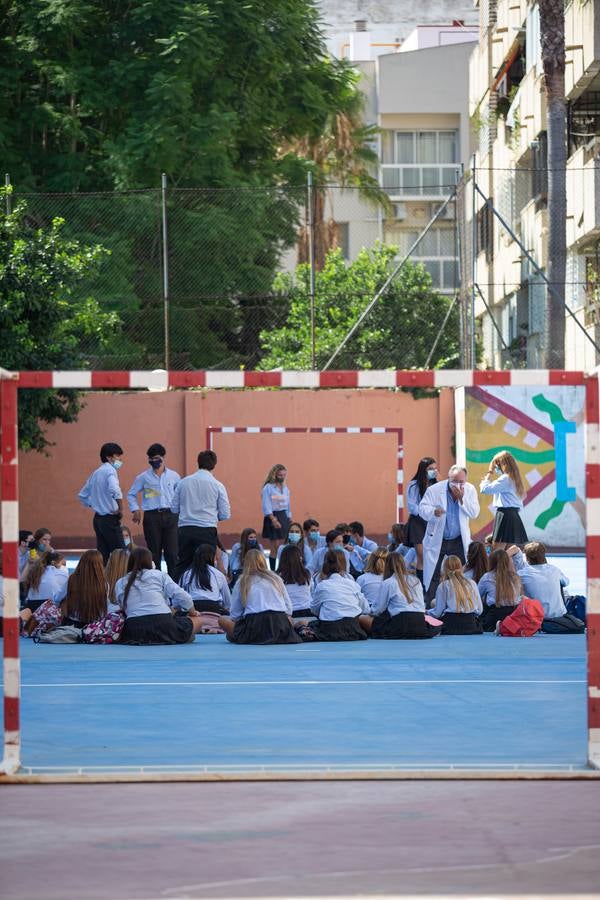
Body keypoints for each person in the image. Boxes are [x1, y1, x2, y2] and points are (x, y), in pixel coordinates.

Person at [419, 464, 480, 604]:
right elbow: (422, 508)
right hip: (438, 539)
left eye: (461, 481)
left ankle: (462, 602)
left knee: (462, 572)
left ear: (466, 479)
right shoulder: (435, 490)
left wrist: (462, 500)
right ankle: (430, 605)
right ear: (448, 478)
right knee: (433, 573)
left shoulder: (470, 490)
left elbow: (474, 513)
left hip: (459, 539)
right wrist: (433, 512)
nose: (457, 485)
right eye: (454, 481)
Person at [114, 547, 203, 644]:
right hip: (164, 625)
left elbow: (123, 608)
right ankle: (178, 636)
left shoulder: (120, 582)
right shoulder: (159, 575)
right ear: (150, 561)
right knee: (197, 621)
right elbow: (183, 597)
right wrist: (193, 612)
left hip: (134, 629)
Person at [218, 549, 301, 644]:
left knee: (222, 620)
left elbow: (235, 615)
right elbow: (289, 609)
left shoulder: (242, 582)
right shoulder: (276, 578)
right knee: (289, 619)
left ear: (245, 563)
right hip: (278, 623)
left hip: (254, 626)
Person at [171, 450, 231, 580]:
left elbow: (174, 509)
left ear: (198, 463)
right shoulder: (218, 485)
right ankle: (205, 594)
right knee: (206, 566)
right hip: (207, 530)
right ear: (214, 464)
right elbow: (225, 514)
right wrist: (212, 517)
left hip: (185, 529)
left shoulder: (183, 482)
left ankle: (174, 595)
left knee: (182, 564)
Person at [127, 443, 181, 579]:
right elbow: (131, 494)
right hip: (152, 517)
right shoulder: (143, 477)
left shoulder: (174, 476)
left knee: (172, 553)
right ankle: (155, 583)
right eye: (151, 459)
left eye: (156, 458)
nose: (154, 461)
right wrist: (135, 509)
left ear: (163, 458)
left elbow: (180, 495)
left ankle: (173, 585)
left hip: (171, 516)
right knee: (154, 553)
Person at [360, 552, 441, 640]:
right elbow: (421, 605)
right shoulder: (416, 581)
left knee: (362, 619)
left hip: (400, 623)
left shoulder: (388, 583)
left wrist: (368, 612)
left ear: (387, 565)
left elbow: (378, 609)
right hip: (419, 623)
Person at [78, 442, 126, 564]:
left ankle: (103, 582)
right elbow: (115, 490)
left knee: (103, 555)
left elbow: (82, 495)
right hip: (110, 518)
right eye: (117, 456)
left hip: (98, 519)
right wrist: (121, 509)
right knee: (121, 555)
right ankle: (120, 582)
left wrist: (95, 504)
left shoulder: (96, 473)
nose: (120, 460)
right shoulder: (110, 471)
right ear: (109, 457)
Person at [307, 550, 369, 641]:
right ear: (343, 565)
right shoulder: (352, 584)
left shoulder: (322, 585)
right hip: (353, 629)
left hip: (330, 629)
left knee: (307, 624)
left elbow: (314, 610)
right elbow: (366, 608)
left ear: (325, 566)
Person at [508, 543, 569, 622]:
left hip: (535, 616)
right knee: (560, 583)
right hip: (559, 616)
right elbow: (566, 582)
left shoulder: (522, 574)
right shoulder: (554, 570)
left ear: (526, 557)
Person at [479, 450, 528, 549]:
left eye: (496, 465)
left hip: (505, 515)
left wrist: (490, 472)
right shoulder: (514, 478)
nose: (496, 468)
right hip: (513, 515)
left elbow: (485, 489)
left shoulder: (505, 479)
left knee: (498, 553)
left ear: (503, 464)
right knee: (508, 553)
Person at [60, 550, 115, 627]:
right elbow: (104, 606)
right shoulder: (104, 584)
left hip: (72, 623)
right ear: (99, 565)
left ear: (81, 563)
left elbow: (58, 598)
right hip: (93, 626)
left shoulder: (72, 579)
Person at [430, 556, 483, 634]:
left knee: (433, 603)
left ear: (445, 569)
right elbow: (480, 610)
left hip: (451, 625)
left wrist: (426, 612)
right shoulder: (472, 583)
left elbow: (437, 613)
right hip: (471, 625)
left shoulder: (444, 585)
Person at [406, 457, 438, 584]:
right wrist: (427, 511)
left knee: (431, 557)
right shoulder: (414, 485)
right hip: (418, 522)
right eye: (430, 469)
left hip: (432, 523)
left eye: (435, 468)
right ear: (423, 470)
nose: (433, 471)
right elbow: (412, 506)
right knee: (422, 556)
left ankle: (430, 583)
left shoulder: (436, 485)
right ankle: (422, 585)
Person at [179, 544, 232, 614]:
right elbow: (228, 602)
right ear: (212, 558)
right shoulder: (218, 574)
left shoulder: (186, 574)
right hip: (214, 608)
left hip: (193, 608)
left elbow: (179, 597)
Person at [478, 549, 521, 632]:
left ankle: (500, 626)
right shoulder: (515, 577)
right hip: (513, 615)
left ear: (491, 562)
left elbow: (476, 597)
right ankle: (504, 626)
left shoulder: (487, 577)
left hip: (495, 615)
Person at [21, 551, 69, 620]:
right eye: (62, 563)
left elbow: (22, 581)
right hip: (48, 608)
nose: (64, 566)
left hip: (31, 606)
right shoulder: (60, 572)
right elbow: (63, 594)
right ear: (53, 562)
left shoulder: (36, 571)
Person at [261, 464, 291, 570]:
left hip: (283, 516)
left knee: (284, 546)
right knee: (275, 547)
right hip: (273, 516)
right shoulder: (268, 488)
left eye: (284, 475)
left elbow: (288, 504)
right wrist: (273, 519)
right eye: (280, 475)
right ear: (274, 475)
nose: (282, 477)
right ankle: (273, 570)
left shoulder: (285, 488)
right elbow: (266, 504)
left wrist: (289, 517)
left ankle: (282, 569)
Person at [277, 544, 313, 617]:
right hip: (308, 611)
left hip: (289, 614)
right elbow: (311, 591)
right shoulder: (307, 574)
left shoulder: (278, 577)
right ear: (299, 558)